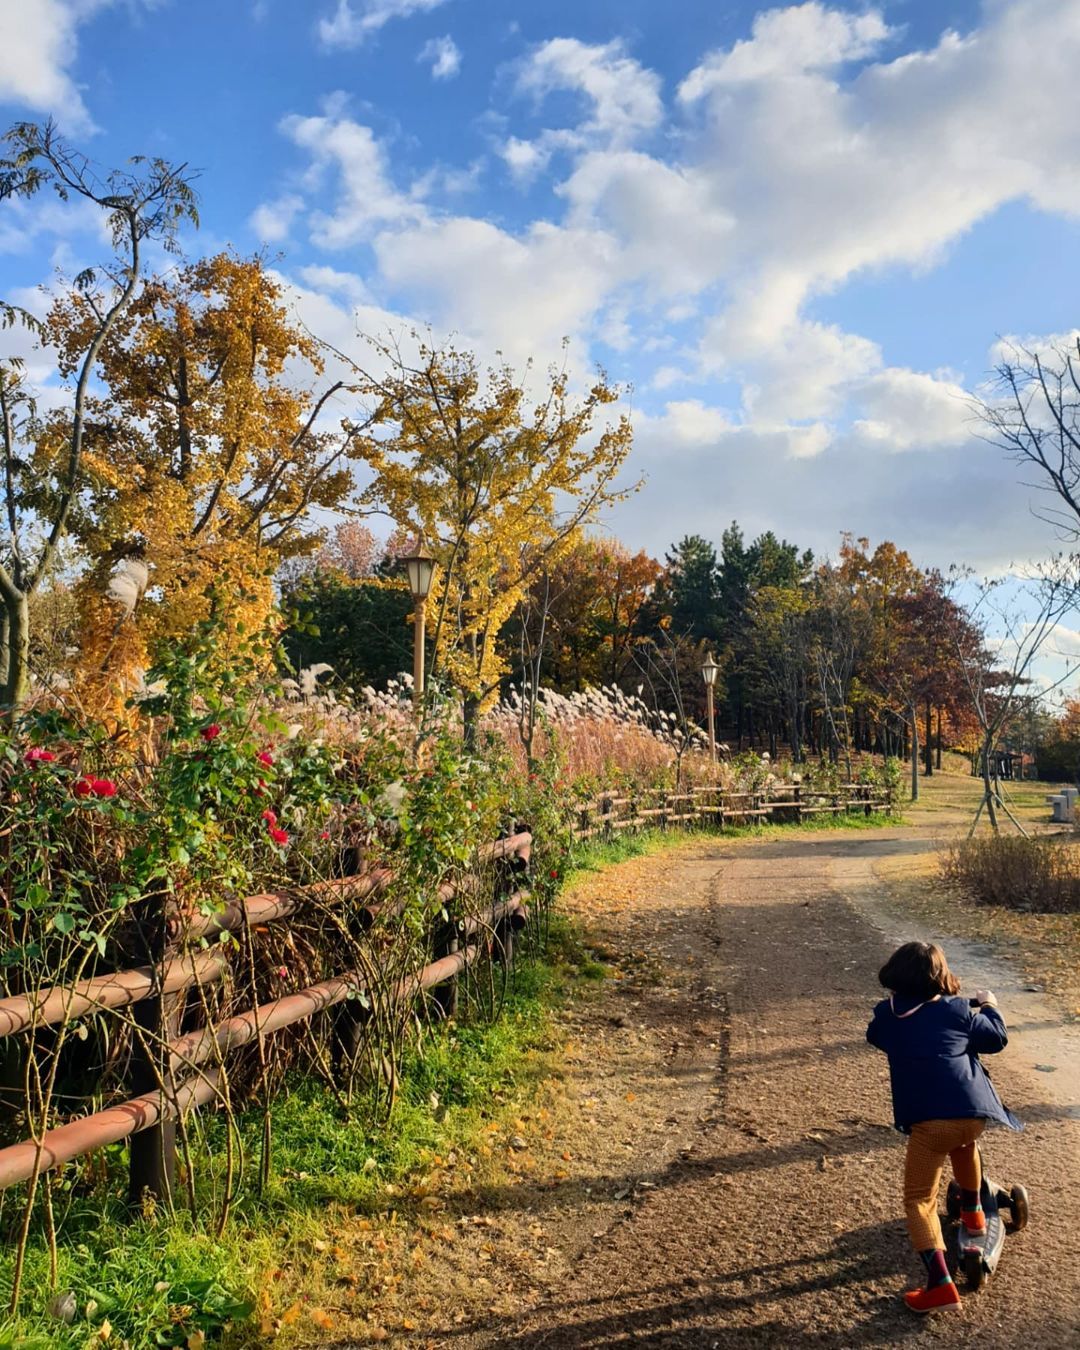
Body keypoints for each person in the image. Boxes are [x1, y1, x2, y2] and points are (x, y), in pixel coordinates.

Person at [866, 941, 1022, 1314]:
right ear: (941, 977)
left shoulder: (888, 1017)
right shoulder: (957, 1011)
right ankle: (973, 1212)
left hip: (929, 1122)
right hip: (972, 1115)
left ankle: (939, 1284)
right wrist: (989, 1006)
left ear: (895, 976)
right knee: (965, 1146)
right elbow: (995, 1039)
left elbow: (876, 1036)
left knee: (919, 1199)